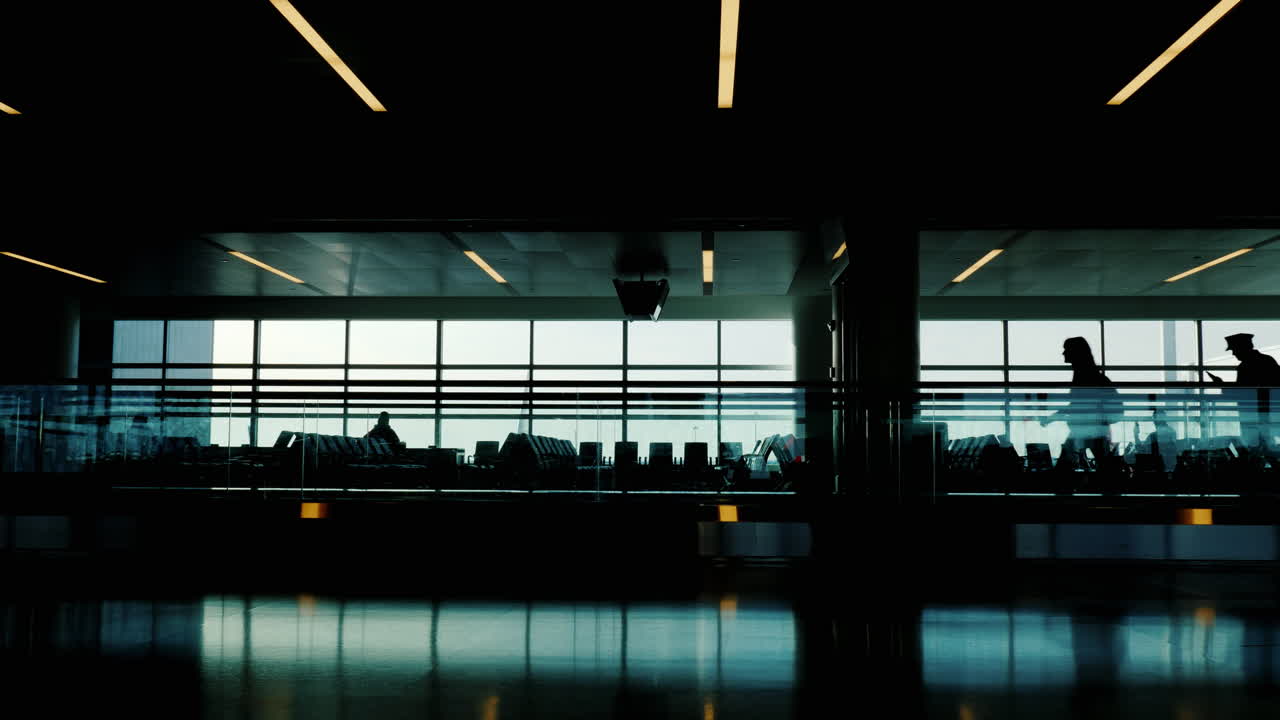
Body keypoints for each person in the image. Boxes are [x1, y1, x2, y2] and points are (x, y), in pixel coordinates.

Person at [1040, 337, 1119, 469]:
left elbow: (1079, 405)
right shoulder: (1089, 375)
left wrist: (1053, 417)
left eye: (1066, 350)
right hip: (1092, 429)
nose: (1063, 353)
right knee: (1104, 467)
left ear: (1075, 352)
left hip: (1085, 429)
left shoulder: (1084, 376)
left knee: (1064, 468)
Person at [1208, 333, 1280, 450]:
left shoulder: (1245, 367)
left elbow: (1241, 393)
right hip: (1269, 411)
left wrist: (1221, 385)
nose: (1234, 353)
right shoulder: (1267, 360)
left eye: (1235, 349)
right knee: (1266, 444)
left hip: (1253, 413)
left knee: (1256, 445)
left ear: (1242, 348)